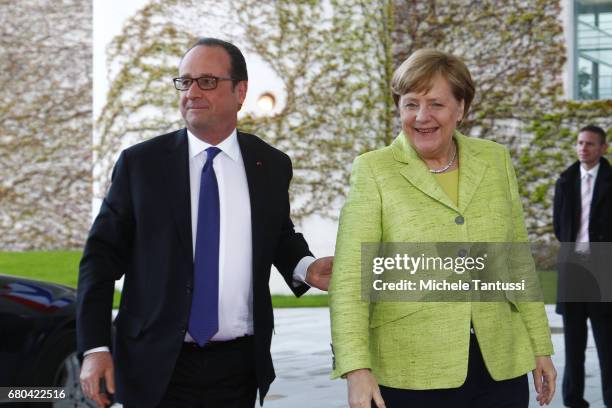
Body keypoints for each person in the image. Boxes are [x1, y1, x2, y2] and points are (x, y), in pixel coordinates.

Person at [76, 37, 333, 408]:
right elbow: (98, 261)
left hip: (238, 367)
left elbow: (276, 234)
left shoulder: (271, 165)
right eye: (185, 81)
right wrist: (95, 347)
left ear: (240, 91)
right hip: (155, 364)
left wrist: (306, 267)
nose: (192, 91)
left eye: (207, 81)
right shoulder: (141, 165)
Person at [329, 49, 556, 408]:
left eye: (435, 103)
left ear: (461, 108)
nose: (421, 117)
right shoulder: (374, 170)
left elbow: (517, 260)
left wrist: (540, 347)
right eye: (410, 104)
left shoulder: (495, 160)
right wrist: (356, 368)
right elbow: (350, 278)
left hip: (501, 366)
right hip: (410, 371)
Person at [553, 124, 612, 408]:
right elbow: (558, 225)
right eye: (579, 143)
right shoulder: (565, 181)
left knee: (608, 346)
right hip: (573, 270)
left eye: (589, 144)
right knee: (573, 346)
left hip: (604, 272)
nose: (583, 148)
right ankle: (573, 401)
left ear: (603, 148)